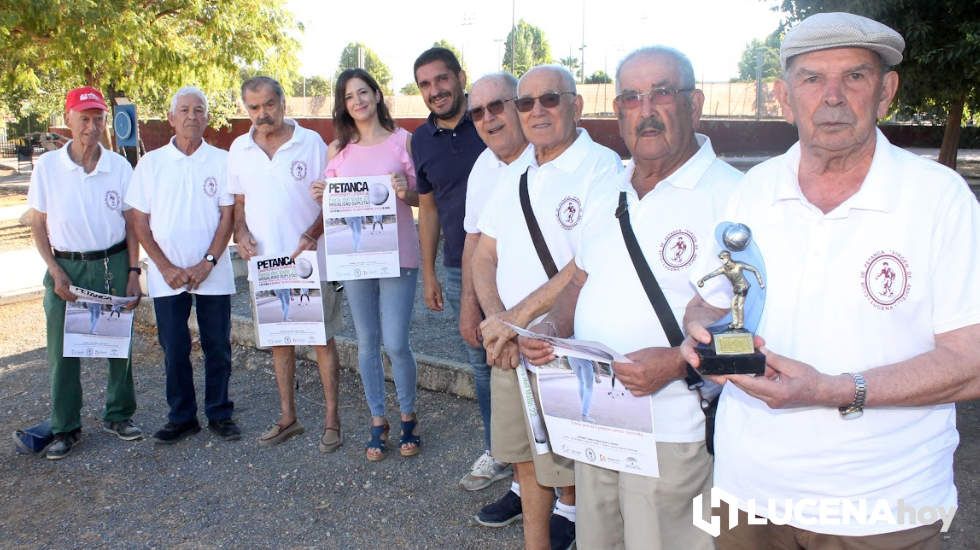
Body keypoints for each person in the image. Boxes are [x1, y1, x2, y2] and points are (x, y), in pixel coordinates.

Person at [680, 13, 980, 547]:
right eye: (812, 79)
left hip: (883, 509)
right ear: (783, 95)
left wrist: (835, 390)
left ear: (887, 91)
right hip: (743, 494)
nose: (833, 97)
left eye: (855, 77)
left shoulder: (940, 198)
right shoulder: (753, 190)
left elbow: (969, 362)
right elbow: (710, 301)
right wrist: (700, 332)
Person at [518, 46, 742, 550]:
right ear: (618, 112)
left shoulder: (733, 196)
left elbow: (755, 329)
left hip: (673, 428)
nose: (647, 110)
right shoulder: (609, 190)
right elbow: (579, 282)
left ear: (694, 103)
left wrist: (676, 363)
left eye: (662, 92)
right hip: (597, 421)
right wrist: (553, 328)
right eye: (632, 98)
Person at [472, 64, 622, 550]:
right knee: (524, 461)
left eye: (550, 99)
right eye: (526, 102)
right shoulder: (515, 173)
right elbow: (484, 255)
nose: (536, 110)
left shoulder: (603, 169)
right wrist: (498, 320)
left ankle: (577, 531)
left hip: (563, 346)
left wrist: (511, 323)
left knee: (576, 469)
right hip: (511, 344)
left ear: (576, 105)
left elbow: (585, 264)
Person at [228, 76, 345, 452]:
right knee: (280, 343)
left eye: (269, 105)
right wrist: (240, 233)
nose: (263, 114)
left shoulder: (310, 143)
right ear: (246, 109)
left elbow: (332, 198)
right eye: (254, 108)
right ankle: (288, 417)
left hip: (309, 261)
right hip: (266, 264)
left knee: (321, 340)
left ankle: (332, 420)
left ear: (282, 101)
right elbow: (240, 204)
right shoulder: (239, 149)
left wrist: (313, 232)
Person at [26, 86, 143, 460]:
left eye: (98, 119)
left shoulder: (119, 166)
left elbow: (132, 225)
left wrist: (133, 271)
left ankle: (119, 414)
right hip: (67, 267)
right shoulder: (47, 167)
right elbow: (37, 225)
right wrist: (55, 270)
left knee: (117, 346)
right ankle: (65, 426)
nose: (91, 127)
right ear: (68, 120)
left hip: (111, 262)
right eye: (84, 119)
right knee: (63, 352)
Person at [310, 68, 421, 461]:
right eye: (348, 96)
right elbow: (331, 203)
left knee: (395, 342)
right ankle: (378, 419)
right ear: (343, 105)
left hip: (399, 255)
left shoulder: (404, 141)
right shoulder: (337, 148)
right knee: (366, 344)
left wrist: (406, 192)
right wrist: (320, 192)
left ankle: (408, 414)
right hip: (354, 259)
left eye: (362, 92)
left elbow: (423, 199)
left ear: (376, 95)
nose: (357, 101)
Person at [126, 86, 240, 444]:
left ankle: (220, 412)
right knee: (174, 347)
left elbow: (228, 218)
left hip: (213, 272)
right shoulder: (151, 164)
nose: (192, 116)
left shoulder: (222, 161)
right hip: (167, 276)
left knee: (217, 345)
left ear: (208, 117)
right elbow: (139, 223)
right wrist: (164, 267)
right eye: (185, 110)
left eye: (199, 110)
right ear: (172, 118)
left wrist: (208, 262)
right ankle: (182, 417)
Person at [410, 47, 493, 483]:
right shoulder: (420, 140)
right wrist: (430, 273)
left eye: (441, 80)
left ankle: (548, 459)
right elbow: (429, 209)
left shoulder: (491, 121)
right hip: (460, 267)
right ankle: (498, 450)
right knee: (480, 363)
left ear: (460, 77)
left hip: (513, 263)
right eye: (424, 84)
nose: (434, 91)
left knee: (531, 356)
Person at [457, 72, 532, 493]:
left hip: (550, 320)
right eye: (478, 112)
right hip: (500, 315)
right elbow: (474, 240)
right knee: (513, 415)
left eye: (498, 106)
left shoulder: (546, 160)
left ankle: (567, 510)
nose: (489, 118)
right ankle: (521, 492)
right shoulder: (483, 166)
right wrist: (471, 307)